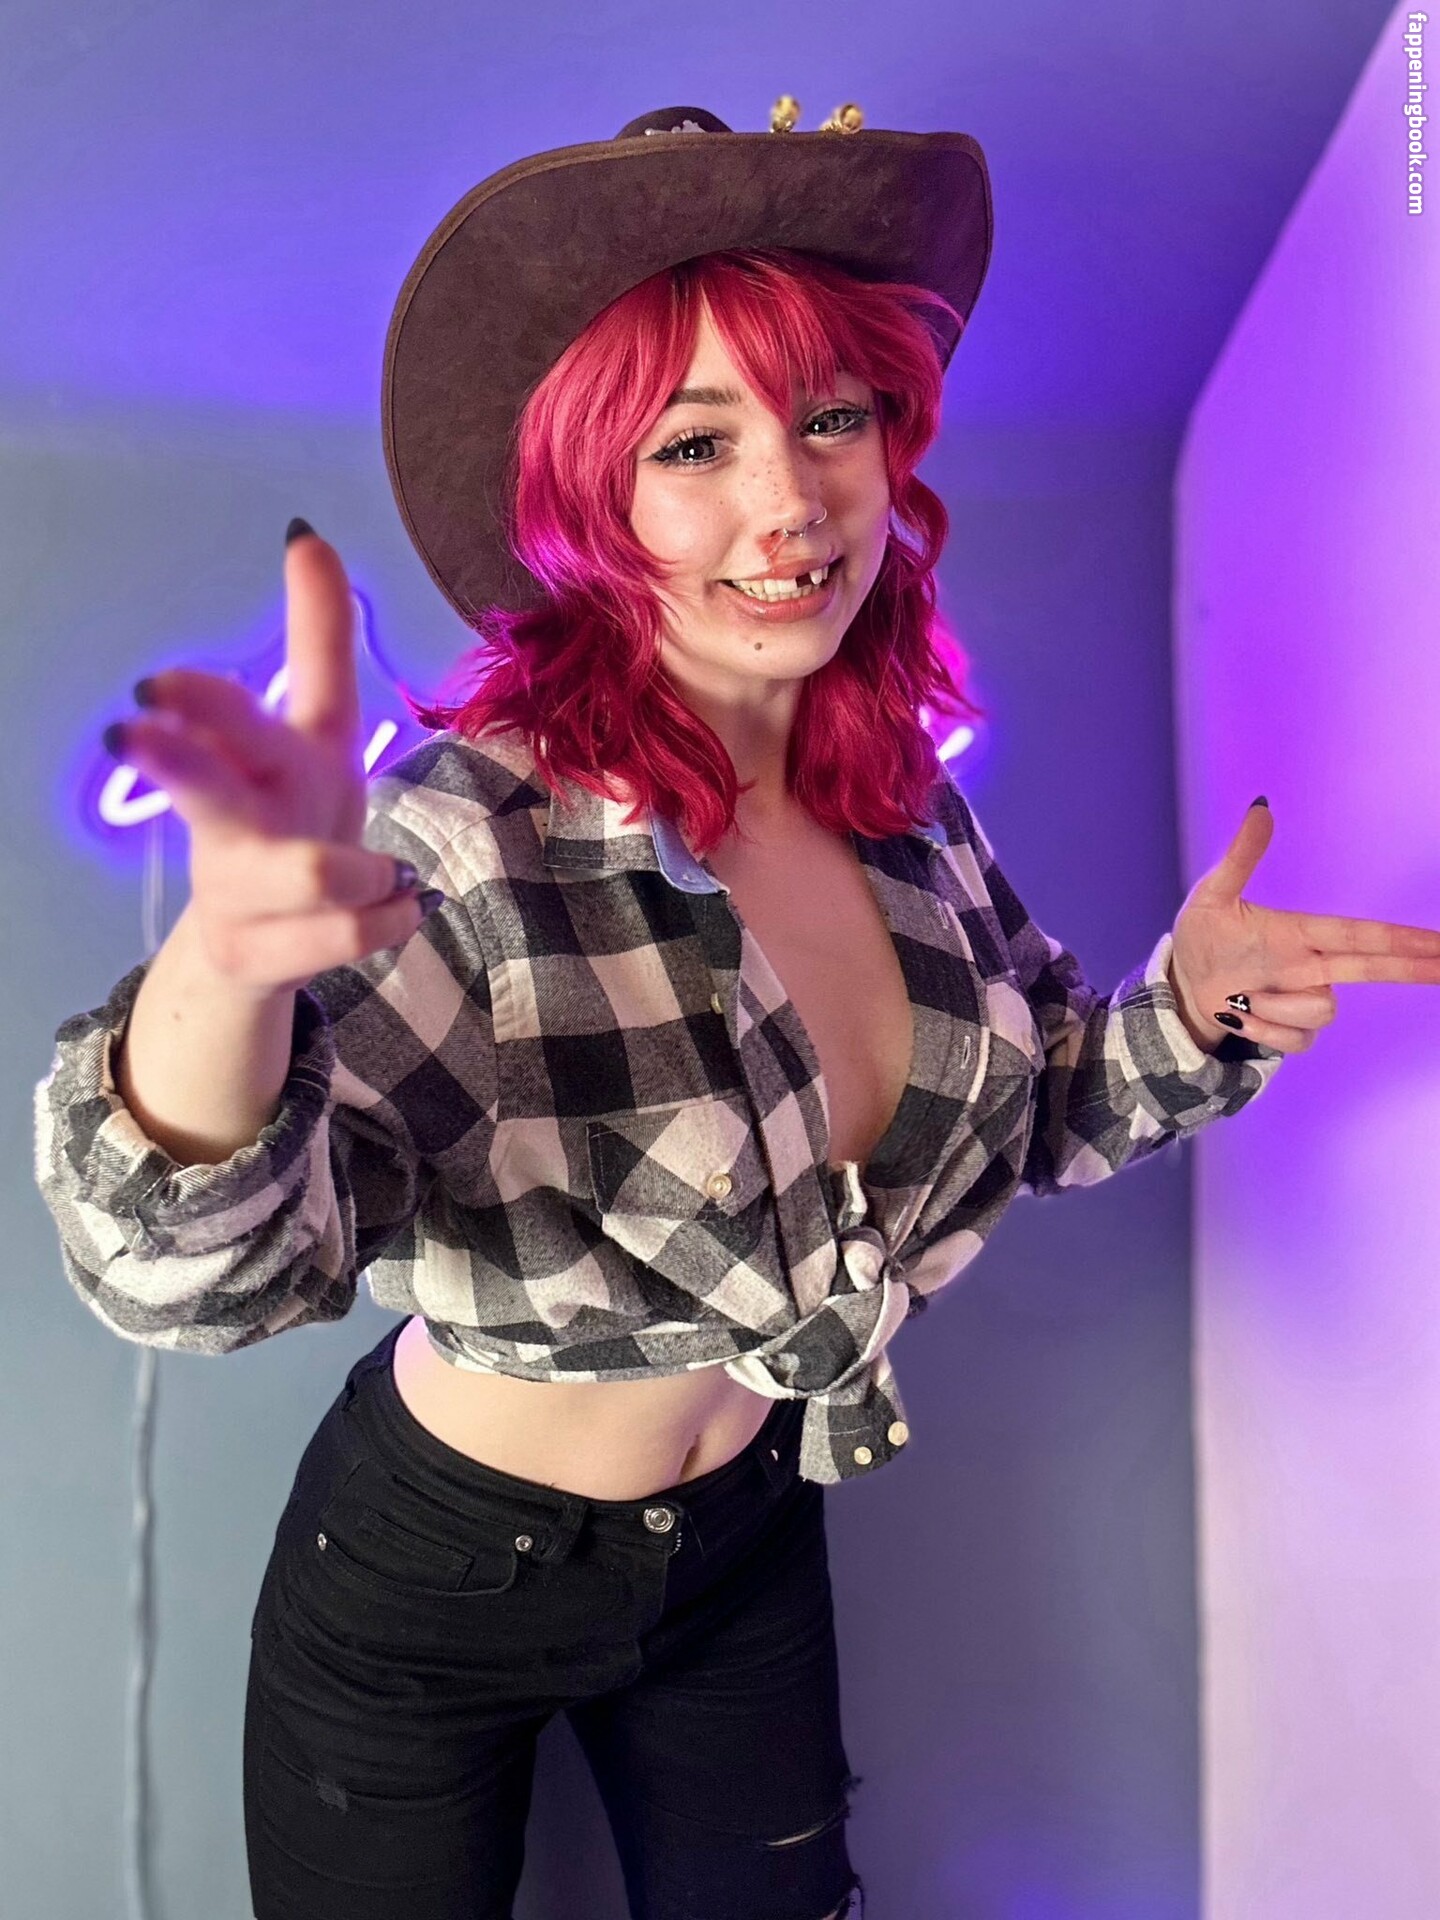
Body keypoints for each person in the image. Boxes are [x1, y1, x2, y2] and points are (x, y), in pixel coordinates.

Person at [32, 102, 1440, 1920]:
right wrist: (225, 970)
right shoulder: (472, 836)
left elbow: (1035, 1111)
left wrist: (1193, 1012)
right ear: (591, 500)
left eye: (829, 418)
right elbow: (189, 1277)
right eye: (696, 443)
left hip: (747, 1539)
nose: (792, 504)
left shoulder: (904, 807)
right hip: (435, 1577)